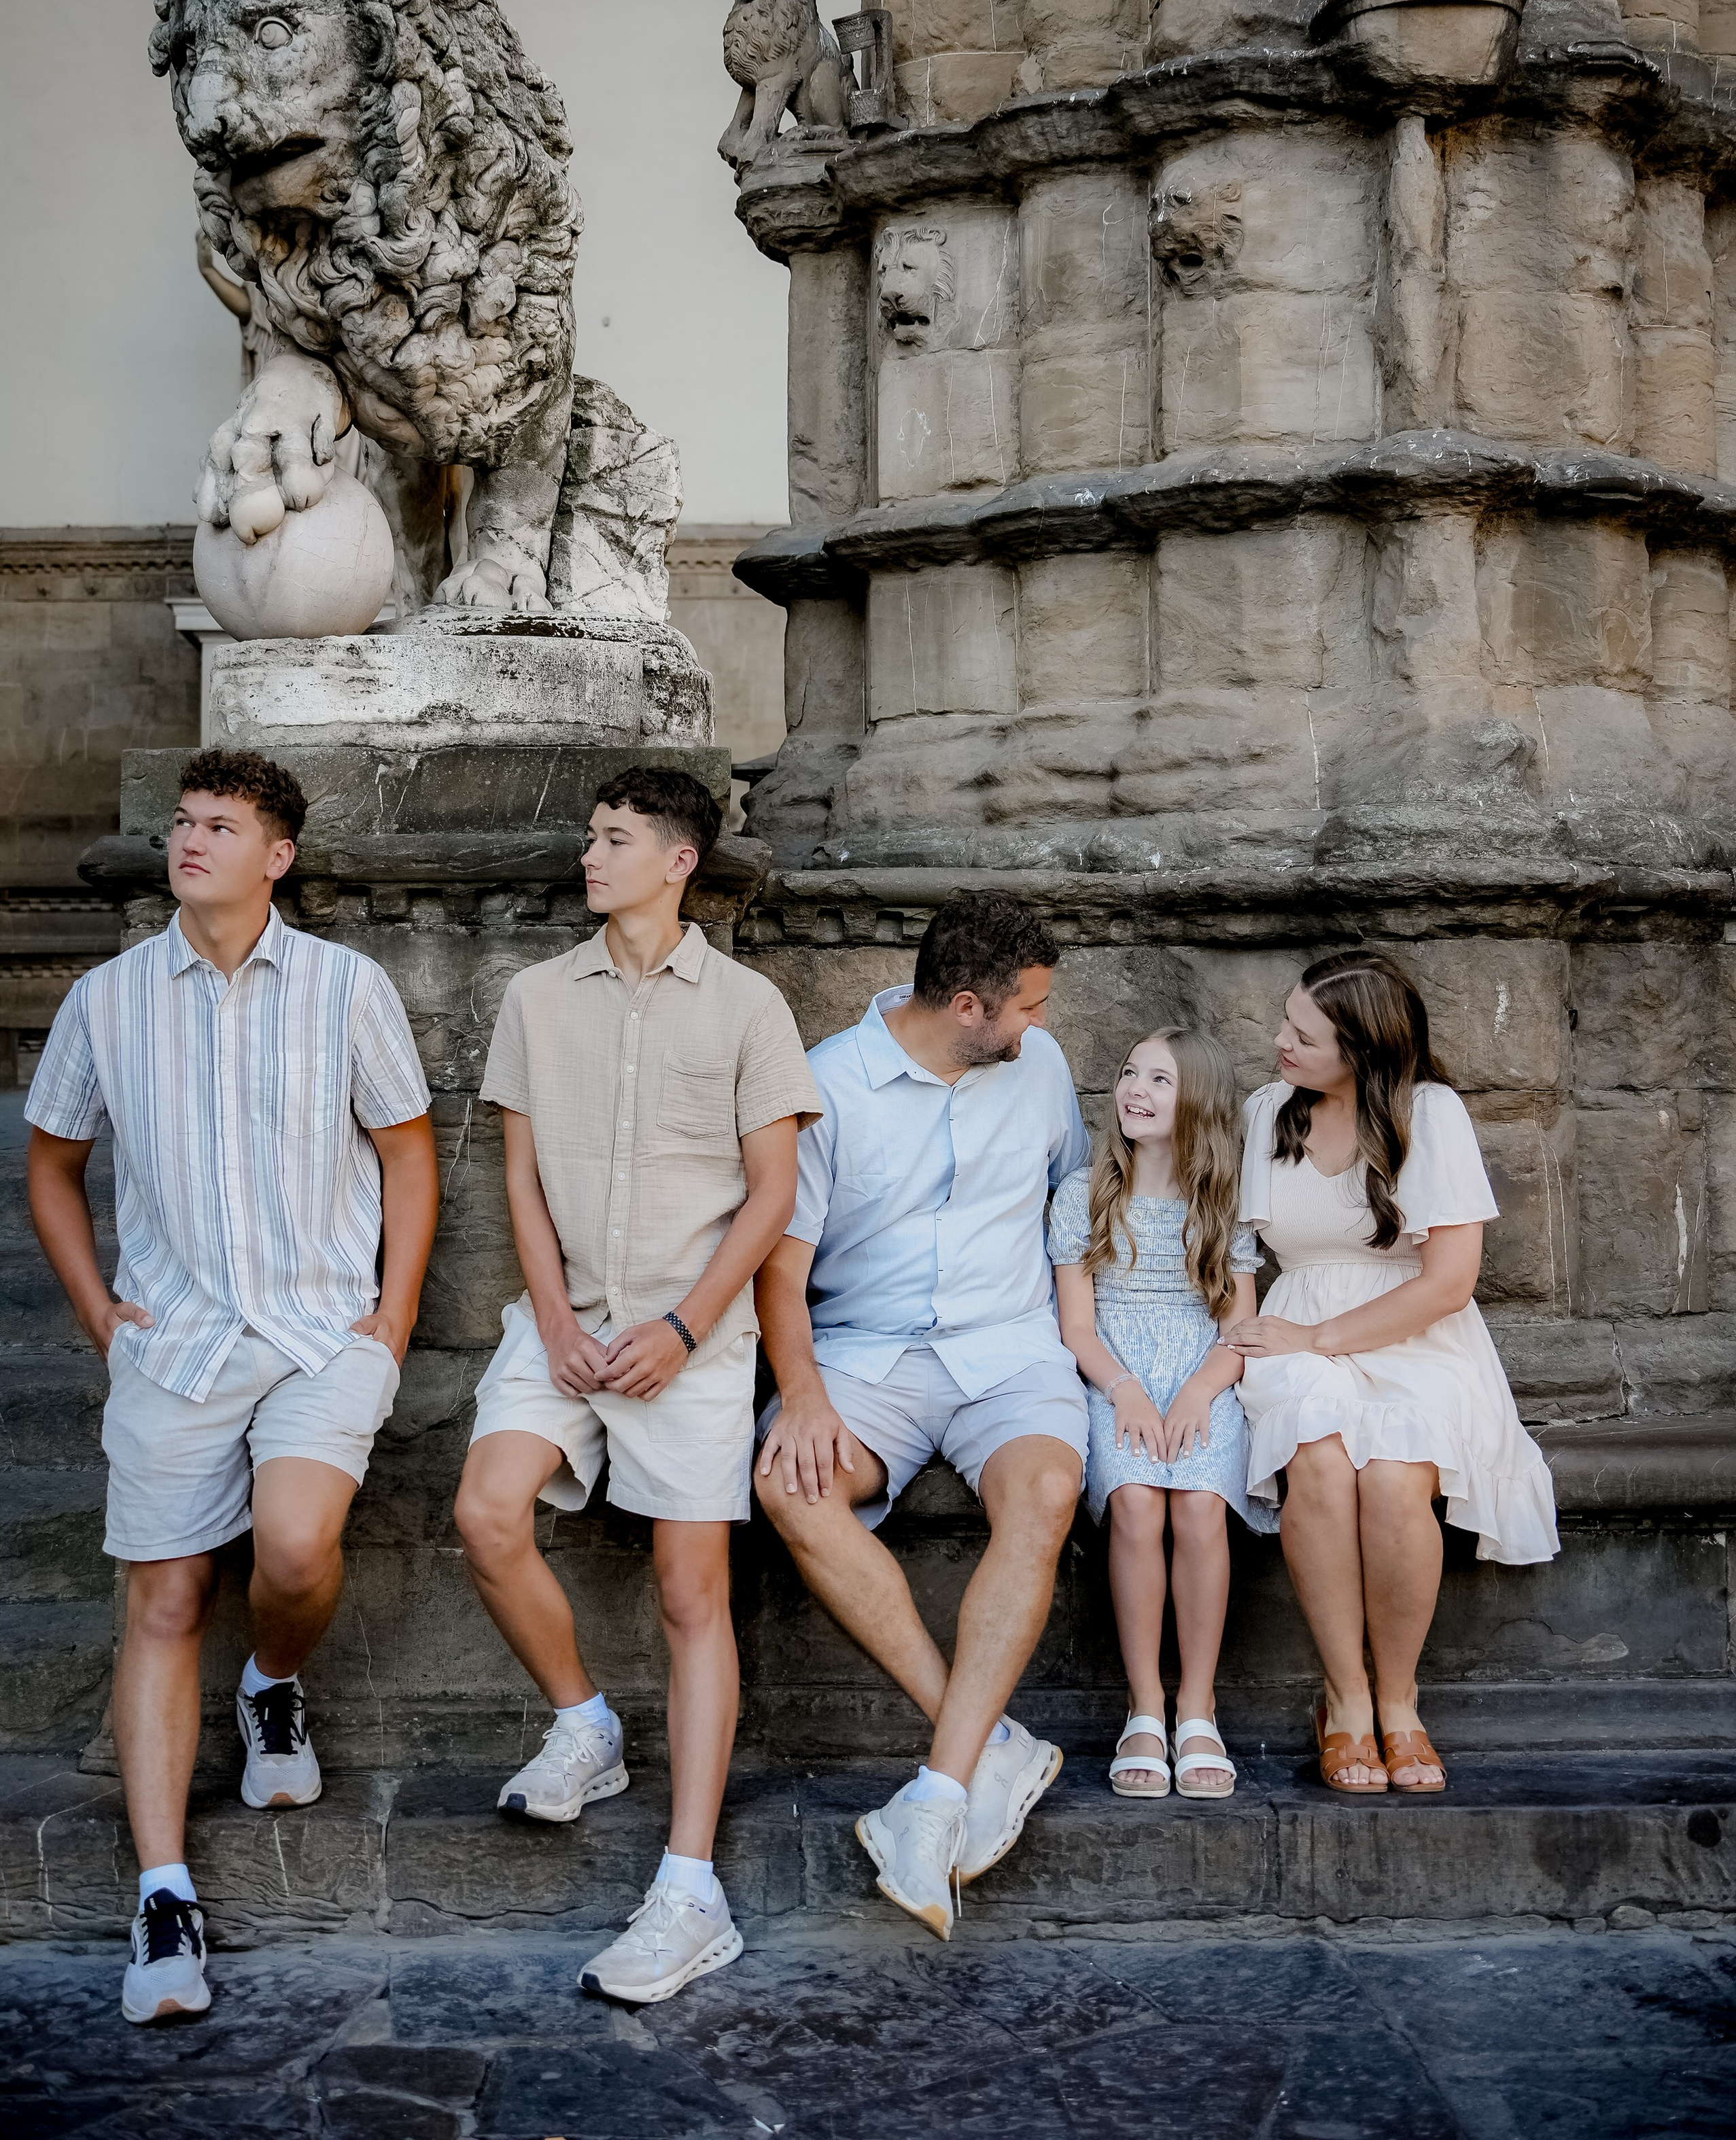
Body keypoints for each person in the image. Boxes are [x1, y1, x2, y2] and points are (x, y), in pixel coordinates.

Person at [25, 750, 437, 2026]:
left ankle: (270, 1681)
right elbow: (51, 1165)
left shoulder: (345, 988)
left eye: (221, 825)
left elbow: (409, 1154)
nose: (190, 841)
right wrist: (99, 1311)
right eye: (182, 823)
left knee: (298, 1552)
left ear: (279, 856)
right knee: (161, 1597)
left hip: (320, 1332)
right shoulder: (104, 999)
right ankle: (164, 1895)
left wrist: (396, 1313)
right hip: (176, 1344)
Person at [453, 767, 819, 2007]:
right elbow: (518, 1180)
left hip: (693, 1340)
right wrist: (553, 1317)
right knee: (486, 1514)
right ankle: (587, 1723)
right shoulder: (535, 997)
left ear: (678, 861)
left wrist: (686, 1324)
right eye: (589, 837)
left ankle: (689, 1886)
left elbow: (771, 1196)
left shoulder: (751, 1006)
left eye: (614, 840)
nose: (589, 856)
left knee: (687, 1591)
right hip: (566, 1322)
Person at [754, 892, 1091, 1942]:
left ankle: (939, 1791)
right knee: (787, 1485)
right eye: (1025, 1008)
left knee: (1044, 1490)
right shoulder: (826, 1083)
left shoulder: (1039, 1070)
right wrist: (801, 1394)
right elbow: (781, 1261)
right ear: (963, 1004)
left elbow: (1074, 1200)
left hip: (1011, 1347)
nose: (1039, 1027)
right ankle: (989, 1745)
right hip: (868, 1354)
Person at [1229, 950, 1559, 1796]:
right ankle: (1343, 1701)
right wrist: (1285, 1343)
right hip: (1295, 1325)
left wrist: (1323, 1337)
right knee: (1320, 1456)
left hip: (1413, 1329)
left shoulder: (1428, 1113)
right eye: (1285, 1024)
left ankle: (1399, 1702)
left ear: (1362, 1052)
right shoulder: (1268, 1111)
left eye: (1302, 1035)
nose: (1279, 1043)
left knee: (1395, 1473)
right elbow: (1235, 1261)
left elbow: (1448, 1283)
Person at [1049, 1029, 1275, 1803]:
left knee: (1201, 1509)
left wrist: (1196, 1391)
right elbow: (1076, 1328)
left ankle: (1197, 1706)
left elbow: (1237, 1332)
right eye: (1128, 1073)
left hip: (1200, 1379)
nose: (1135, 1090)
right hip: (1114, 1375)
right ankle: (1144, 1704)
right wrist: (1125, 1390)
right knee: (1139, 1505)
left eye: (1160, 1080)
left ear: (1199, 1106)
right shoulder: (1083, 1195)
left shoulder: (1223, 1205)